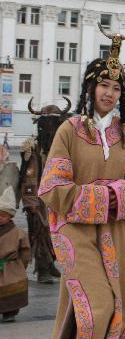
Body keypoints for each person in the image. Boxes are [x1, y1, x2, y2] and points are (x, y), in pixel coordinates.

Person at [35, 29, 125, 339]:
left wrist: (108, 197)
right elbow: (52, 186)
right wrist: (108, 196)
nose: (109, 93)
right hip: (74, 231)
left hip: (114, 234)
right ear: (90, 88)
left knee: (116, 305)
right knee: (95, 306)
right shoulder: (69, 130)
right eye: (103, 85)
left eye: (116, 88)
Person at [18, 100, 70, 283]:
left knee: (54, 233)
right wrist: (31, 202)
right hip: (39, 200)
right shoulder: (33, 148)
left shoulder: (62, 147)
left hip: (55, 198)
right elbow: (29, 177)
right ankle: (42, 271)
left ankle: (50, 264)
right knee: (40, 233)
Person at [0, 186, 30, 323]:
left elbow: (25, 251)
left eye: (3, 215)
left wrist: (21, 266)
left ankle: (10, 312)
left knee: (11, 290)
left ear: (10, 216)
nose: (0, 218)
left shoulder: (18, 233)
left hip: (11, 266)